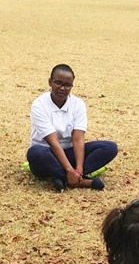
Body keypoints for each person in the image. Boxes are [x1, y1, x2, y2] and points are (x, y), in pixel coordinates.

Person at [26, 64, 118, 192]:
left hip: (70, 153)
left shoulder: (78, 104)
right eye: (58, 83)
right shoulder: (39, 105)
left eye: (67, 85)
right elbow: (53, 143)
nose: (62, 88)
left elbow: (78, 139)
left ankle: (65, 178)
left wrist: (78, 169)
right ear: (50, 82)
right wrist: (69, 170)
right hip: (47, 155)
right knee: (35, 153)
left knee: (109, 147)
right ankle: (77, 180)